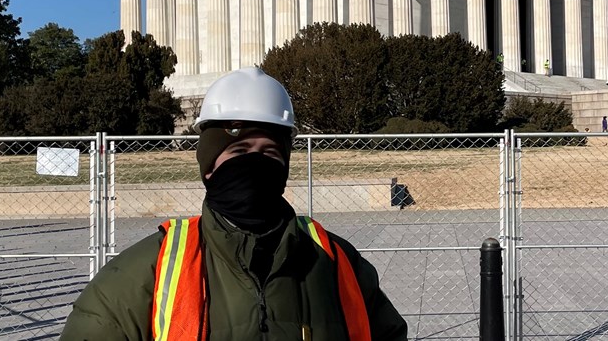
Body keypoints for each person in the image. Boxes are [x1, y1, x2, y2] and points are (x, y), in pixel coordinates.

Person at [61, 67, 406, 340]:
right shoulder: (142, 274)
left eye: (270, 153)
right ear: (209, 167)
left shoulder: (336, 261)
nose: (254, 164)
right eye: (239, 152)